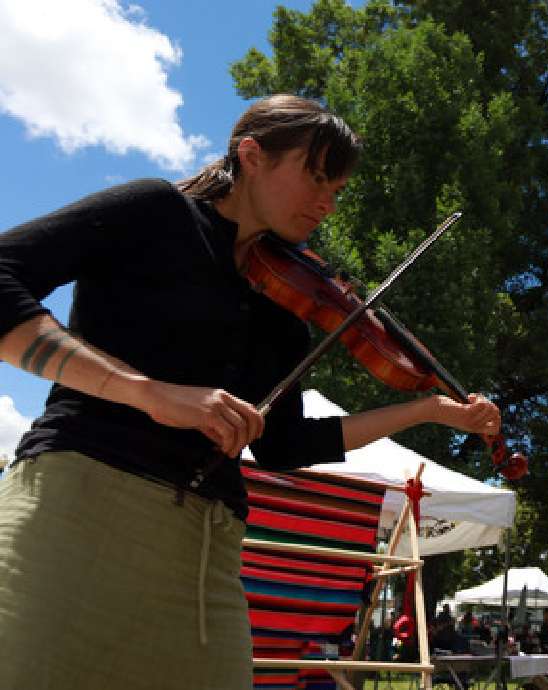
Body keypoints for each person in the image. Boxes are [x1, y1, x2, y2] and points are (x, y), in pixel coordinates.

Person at [0, 94, 504, 690]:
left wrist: (426, 409)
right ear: (251, 155)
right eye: (315, 177)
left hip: (206, 550)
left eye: (337, 189)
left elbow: (285, 445)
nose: (328, 203)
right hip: (81, 505)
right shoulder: (156, 211)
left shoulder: (282, 305)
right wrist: (148, 392)